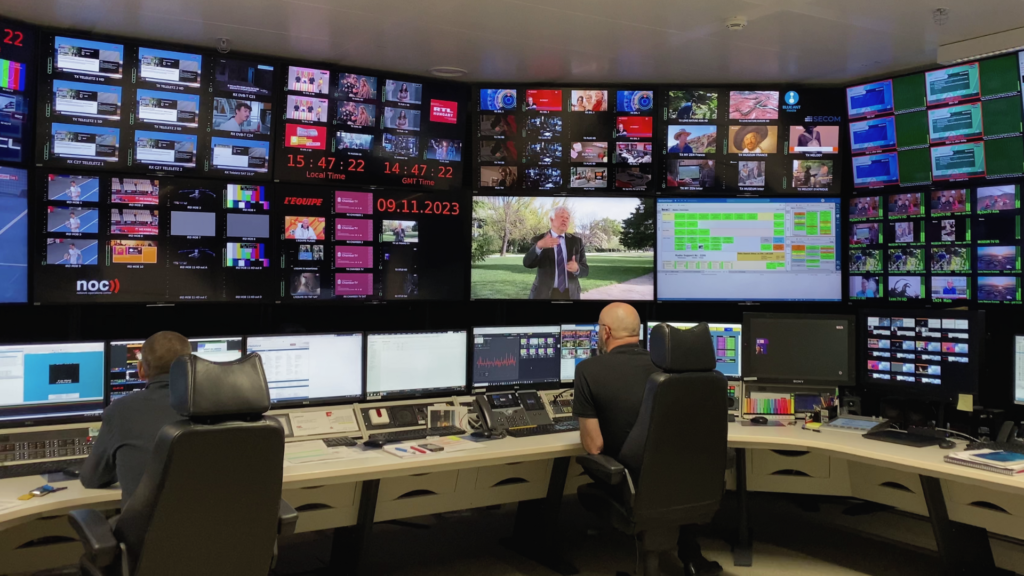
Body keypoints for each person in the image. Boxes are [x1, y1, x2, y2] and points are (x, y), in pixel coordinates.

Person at [574, 303, 723, 576]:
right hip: (687, 480)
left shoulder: (588, 370)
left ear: (605, 332)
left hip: (634, 485)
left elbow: (594, 446)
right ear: (639, 331)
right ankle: (689, 553)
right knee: (668, 470)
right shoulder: (669, 365)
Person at [81, 331, 192, 507]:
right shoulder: (219, 408)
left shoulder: (119, 411)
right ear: (190, 368)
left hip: (144, 533)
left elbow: (92, 479)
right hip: (211, 530)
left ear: (140, 370)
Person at [522, 206, 589, 300]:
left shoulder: (576, 241)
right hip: (543, 294)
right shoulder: (539, 239)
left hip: (570, 294)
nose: (565, 220)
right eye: (562, 216)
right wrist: (539, 246)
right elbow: (527, 263)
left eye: (567, 217)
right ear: (551, 219)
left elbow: (585, 270)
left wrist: (577, 268)